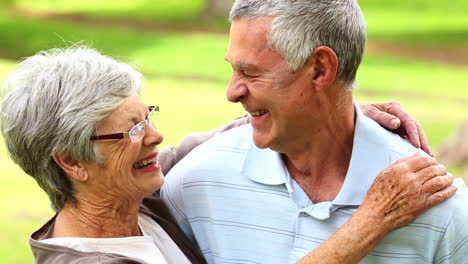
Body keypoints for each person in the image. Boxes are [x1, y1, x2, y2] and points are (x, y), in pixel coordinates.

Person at [0, 47, 456, 264]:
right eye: (132, 129)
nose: (155, 136)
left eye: (148, 115)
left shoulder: (132, 193)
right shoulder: (85, 262)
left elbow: (211, 140)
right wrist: (370, 221)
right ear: (71, 162)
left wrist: (334, 112)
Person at [161, 1, 468, 263]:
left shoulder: (440, 208)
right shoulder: (193, 185)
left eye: (250, 72)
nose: (231, 92)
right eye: (234, 69)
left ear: (320, 69)